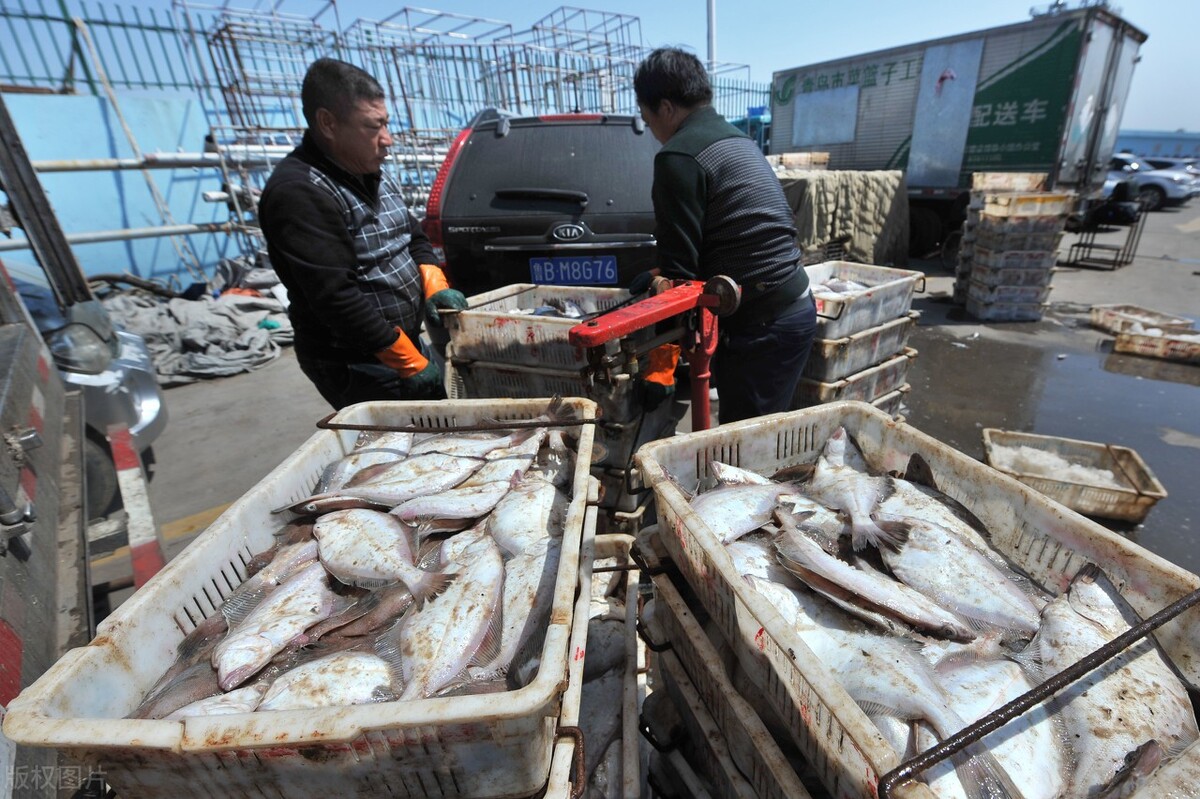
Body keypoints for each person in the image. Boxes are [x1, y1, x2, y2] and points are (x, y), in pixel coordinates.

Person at [258, 57, 467, 409]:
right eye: (374, 127)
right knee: (406, 451)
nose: (388, 140)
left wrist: (434, 284)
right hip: (356, 362)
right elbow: (336, 299)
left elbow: (411, 235)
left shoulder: (370, 170)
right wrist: (407, 360)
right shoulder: (299, 192)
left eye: (386, 124)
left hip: (400, 343)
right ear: (328, 123)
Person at [631, 47, 817, 424]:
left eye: (646, 117)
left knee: (744, 459)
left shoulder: (679, 157)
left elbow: (681, 280)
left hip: (763, 329)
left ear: (665, 108)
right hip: (794, 308)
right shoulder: (738, 140)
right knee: (754, 439)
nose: (651, 129)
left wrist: (659, 361)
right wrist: (656, 276)